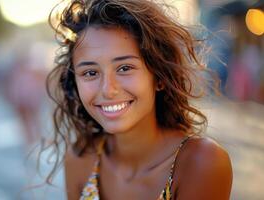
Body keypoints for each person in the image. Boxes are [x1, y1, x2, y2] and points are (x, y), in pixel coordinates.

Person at [46, 0, 233, 199]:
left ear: (159, 76)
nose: (108, 90)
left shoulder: (201, 162)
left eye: (125, 68)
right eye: (90, 72)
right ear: (75, 82)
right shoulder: (81, 159)